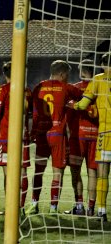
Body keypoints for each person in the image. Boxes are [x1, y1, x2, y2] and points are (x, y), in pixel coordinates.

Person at [26, 60, 82, 215]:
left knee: (38, 171)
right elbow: (85, 97)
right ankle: (53, 208)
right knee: (57, 172)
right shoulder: (67, 87)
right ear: (62, 74)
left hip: (42, 134)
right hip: (57, 134)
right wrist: (71, 104)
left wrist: (33, 131)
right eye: (68, 75)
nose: (68, 78)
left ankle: (33, 204)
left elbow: (33, 110)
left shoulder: (39, 86)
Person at [0, 61, 31, 215]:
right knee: (22, 173)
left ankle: (10, 208)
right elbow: (33, 115)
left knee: (7, 174)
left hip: (6, 138)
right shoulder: (27, 91)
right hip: (23, 137)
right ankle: (21, 207)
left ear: (4, 74)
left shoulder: (3, 89)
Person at [71, 52, 111, 222]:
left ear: (102, 64)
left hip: (106, 133)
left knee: (102, 174)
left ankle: (101, 211)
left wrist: (74, 105)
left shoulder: (99, 79)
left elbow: (83, 104)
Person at [64, 59, 98, 216]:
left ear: (82, 71)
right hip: (97, 135)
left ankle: (79, 206)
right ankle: (91, 208)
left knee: (75, 172)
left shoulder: (75, 88)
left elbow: (69, 114)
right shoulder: (101, 87)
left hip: (78, 136)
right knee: (93, 172)